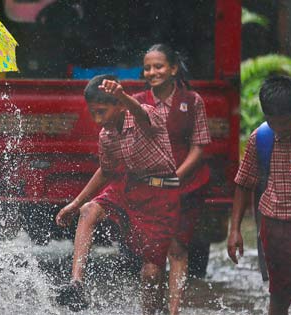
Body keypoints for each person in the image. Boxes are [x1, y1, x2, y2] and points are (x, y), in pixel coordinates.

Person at [55, 74, 180, 313]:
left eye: (101, 111)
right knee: (88, 210)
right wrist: (75, 203)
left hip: (162, 195)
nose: (97, 119)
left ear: (120, 105)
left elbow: (142, 116)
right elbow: (107, 170)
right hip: (129, 186)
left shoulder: (144, 114)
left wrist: (122, 94)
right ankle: (77, 283)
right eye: (92, 112)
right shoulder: (107, 135)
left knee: (151, 272)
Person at [227, 75, 291, 315]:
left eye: (286, 123)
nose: (281, 130)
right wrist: (234, 230)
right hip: (277, 229)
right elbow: (244, 184)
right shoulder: (259, 139)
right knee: (281, 297)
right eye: (274, 124)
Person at [132, 44, 211, 315]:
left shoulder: (193, 101)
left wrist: (174, 177)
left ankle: (174, 311)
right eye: (147, 68)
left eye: (158, 66)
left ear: (173, 69)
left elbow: (199, 147)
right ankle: (148, 310)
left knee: (178, 249)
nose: (152, 72)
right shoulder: (137, 101)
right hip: (150, 191)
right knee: (152, 266)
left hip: (185, 187)